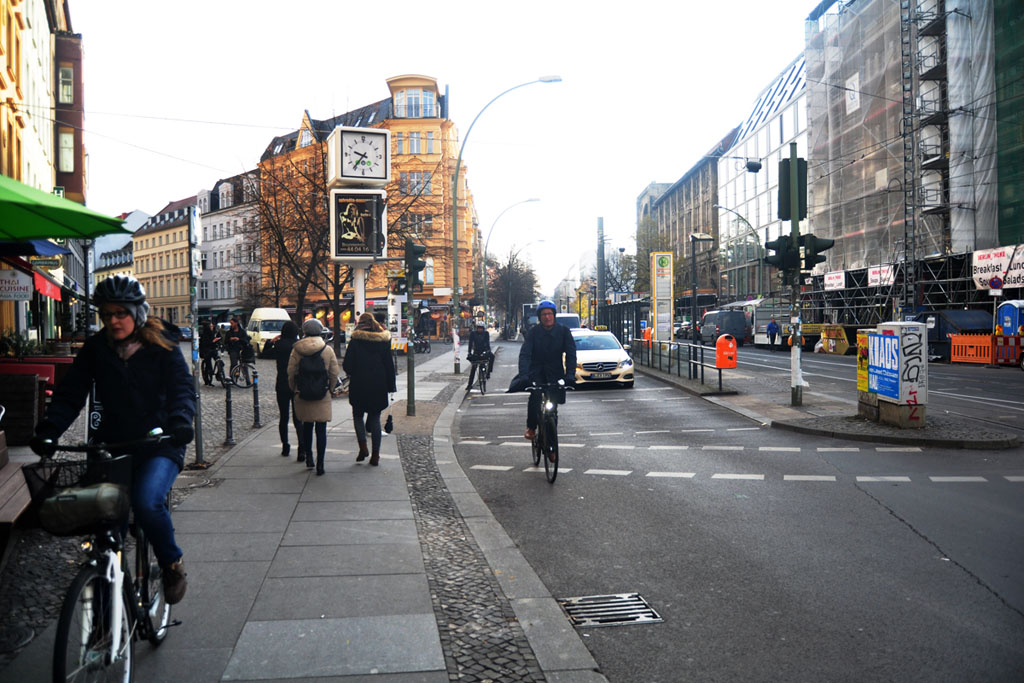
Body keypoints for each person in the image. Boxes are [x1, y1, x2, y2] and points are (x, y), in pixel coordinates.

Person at [30, 275, 195, 604]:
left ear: (138, 312)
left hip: (159, 442)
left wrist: (180, 420)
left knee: (148, 503)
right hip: (113, 445)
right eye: (107, 315)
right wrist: (49, 430)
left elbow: (182, 388)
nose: (113, 321)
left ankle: (172, 564)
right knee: (107, 526)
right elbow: (70, 394)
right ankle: (106, 619)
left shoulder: (161, 345)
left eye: (121, 313)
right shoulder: (97, 348)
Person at [518, 299, 577, 440]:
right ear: (539, 317)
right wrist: (524, 375)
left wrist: (570, 375)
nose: (547, 317)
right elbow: (525, 354)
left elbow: (571, 354)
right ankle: (531, 427)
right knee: (535, 397)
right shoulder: (533, 333)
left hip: (555, 373)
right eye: (544, 314)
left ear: (554, 315)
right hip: (536, 372)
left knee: (553, 408)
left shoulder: (563, 331)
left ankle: (551, 443)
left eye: (550, 314)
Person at [342, 312, 396, 466]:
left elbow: (347, 365)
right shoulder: (383, 340)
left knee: (358, 416)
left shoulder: (355, 340)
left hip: (359, 383)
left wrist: (354, 372)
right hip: (378, 384)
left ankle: (363, 447)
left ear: (360, 323)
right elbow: (389, 365)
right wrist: (390, 385)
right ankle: (376, 455)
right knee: (375, 419)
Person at [287, 318, 340, 475]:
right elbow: (334, 373)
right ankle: (321, 464)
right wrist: (330, 389)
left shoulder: (296, 350)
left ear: (305, 331)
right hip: (321, 393)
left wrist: (294, 388)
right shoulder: (327, 349)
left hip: (303, 392)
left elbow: (291, 372)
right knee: (321, 429)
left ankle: (309, 457)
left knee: (307, 426)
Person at [274, 320, 303, 460]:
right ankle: (302, 448)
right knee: (298, 418)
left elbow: (266, 353)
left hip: (282, 383)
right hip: (296, 384)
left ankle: (285, 445)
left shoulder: (279, 345)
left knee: (283, 417)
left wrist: (274, 341)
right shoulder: (298, 346)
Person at [466, 318, 494, 390]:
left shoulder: (486, 333)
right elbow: (470, 343)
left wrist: (488, 350)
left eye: (481, 328)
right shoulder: (473, 334)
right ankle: (469, 384)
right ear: (477, 328)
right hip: (476, 352)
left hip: (484, 351)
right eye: (479, 328)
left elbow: (487, 343)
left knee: (492, 356)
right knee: (473, 368)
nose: (480, 330)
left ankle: (488, 372)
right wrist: (469, 352)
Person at [198, 320, 220, 385]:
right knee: (208, 365)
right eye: (211, 326)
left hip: (213, 350)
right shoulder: (204, 334)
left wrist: (217, 342)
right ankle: (208, 380)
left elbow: (215, 342)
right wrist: (213, 341)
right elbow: (205, 343)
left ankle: (220, 374)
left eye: (212, 325)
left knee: (219, 361)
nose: (212, 327)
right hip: (206, 351)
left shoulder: (213, 333)